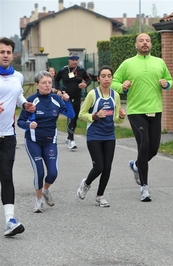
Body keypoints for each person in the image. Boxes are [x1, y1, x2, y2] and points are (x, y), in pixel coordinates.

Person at [111, 33, 173, 202]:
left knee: (153, 149)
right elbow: (114, 82)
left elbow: (169, 80)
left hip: (155, 110)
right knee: (144, 145)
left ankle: (137, 165)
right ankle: (144, 188)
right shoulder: (127, 64)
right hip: (136, 111)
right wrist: (122, 86)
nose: (145, 43)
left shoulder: (159, 62)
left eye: (147, 41)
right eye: (141, 41)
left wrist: (167, 84)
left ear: (151, 44)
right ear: (135, 45)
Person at [17, 71, 75, 213]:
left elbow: (71, 115)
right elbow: (20, 121)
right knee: (39, 172)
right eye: (44, 83)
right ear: (37, 85)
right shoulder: (31, 100)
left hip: (50, 141)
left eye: (49, 82)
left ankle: (45, 189)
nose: (47, 85)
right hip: (33, 141)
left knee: (53, 173)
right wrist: (28, 125)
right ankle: (38, 201)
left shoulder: (56, 99)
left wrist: (67, 101)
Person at [0, 37, 35, 236]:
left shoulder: (18, 77)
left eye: (8, 52)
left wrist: (25, 104)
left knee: (6, 176)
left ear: (13, 55)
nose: (5, 55)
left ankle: (10, 220)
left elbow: (19, 95)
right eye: (1, 52)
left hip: (8, 136)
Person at [77, 66, 126, 207]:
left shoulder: (115, 95)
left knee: (107, 167)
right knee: (99, 166)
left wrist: (121, 117)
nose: (106, 79)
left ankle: (100, 196)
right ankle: (86, 184)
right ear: (98, 79)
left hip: (109, 135)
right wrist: (95, 116)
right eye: (103, 76)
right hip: (94, 135)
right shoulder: (93, 94)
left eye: (109, 76)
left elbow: (115, 118)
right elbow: (81, 114)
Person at [54, 52, 92, 150]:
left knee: (75, 118)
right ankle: (71, 140)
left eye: (76, 59)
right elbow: (56, 80)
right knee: (71, 117)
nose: (74, 61)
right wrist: (59, 90)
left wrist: (85, 84)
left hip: (77, 97)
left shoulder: (81, 70)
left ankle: (68, 137)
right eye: (72, 59)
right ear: (69, 60)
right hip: (67, 98)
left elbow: (89, 79)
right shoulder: (63, 70)